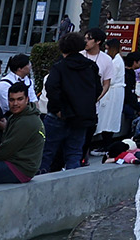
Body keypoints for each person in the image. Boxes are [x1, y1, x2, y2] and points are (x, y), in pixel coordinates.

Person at [40, 30, 103, 172]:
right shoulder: (90, 66)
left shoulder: (60, 67)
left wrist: (57, 109)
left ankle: (40, 181)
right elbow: (97, 89)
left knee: (47, 152)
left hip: (59, 115)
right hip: (82, 116)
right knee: (74, 153)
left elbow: (51, 87)